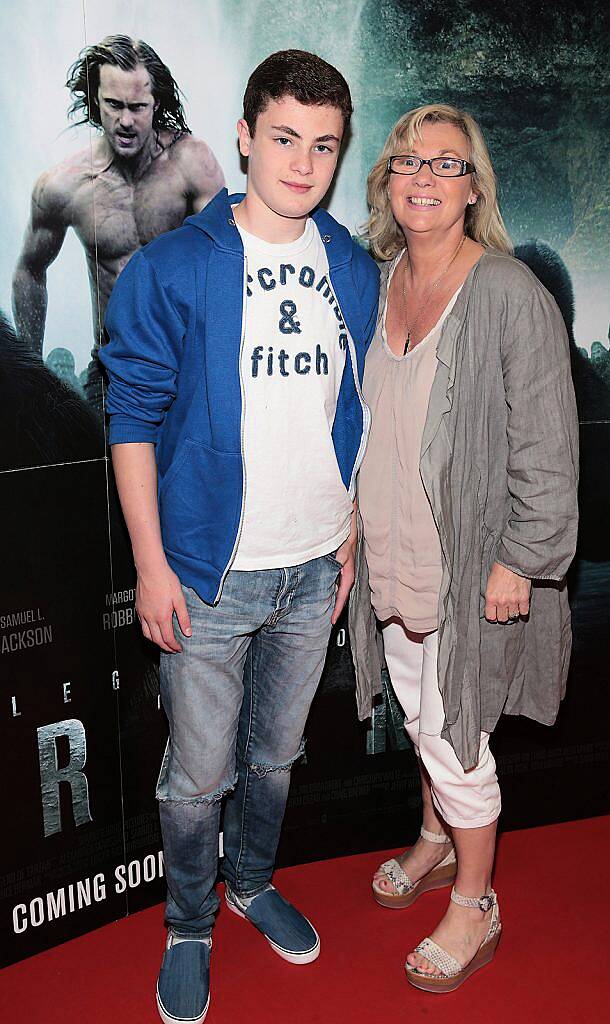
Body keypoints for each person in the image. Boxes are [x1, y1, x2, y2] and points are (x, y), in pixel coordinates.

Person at [100, 49, 379, 1024]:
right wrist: (149, 566)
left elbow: (355, 409)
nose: (303, 163)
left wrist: (348, 531)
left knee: (274, 758)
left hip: (313, 572)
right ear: (245, 140)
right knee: (195, 775)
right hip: (207, 577)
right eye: (285, 139)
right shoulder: (172, 267)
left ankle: (251, 881)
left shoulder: (351, 265)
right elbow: (130, 420)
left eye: (324, 146)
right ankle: (188, 926)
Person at [350, 103, 578, 993]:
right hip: (391, 555)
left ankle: (475, 904)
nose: (422, 177)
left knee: (455, 736)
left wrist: (519, 560)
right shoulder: (378, 279)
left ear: (473, 186)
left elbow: (548, 450)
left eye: (446, 165)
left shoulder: (509, 292)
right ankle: (438, 839)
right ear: (386, 181)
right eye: (407, 161)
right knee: (419, 717)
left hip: (471, 567)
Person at [12, 35, 224, 412]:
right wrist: (30, 376)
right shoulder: (64, 185)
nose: (125, 121)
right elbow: (30, 271)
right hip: (112, 367)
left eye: (137, 107)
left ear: (156, 103)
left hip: (188, 359)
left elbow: (227, 258)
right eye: (113, 105)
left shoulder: (192, 164)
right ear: (96, 101)